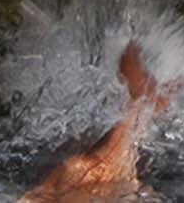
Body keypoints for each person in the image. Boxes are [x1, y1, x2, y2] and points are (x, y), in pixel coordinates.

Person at [19, 41, 171, 202]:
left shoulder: (95, 169)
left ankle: (139, 45)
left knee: (139, 108)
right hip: (92, 181)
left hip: (89, 178)